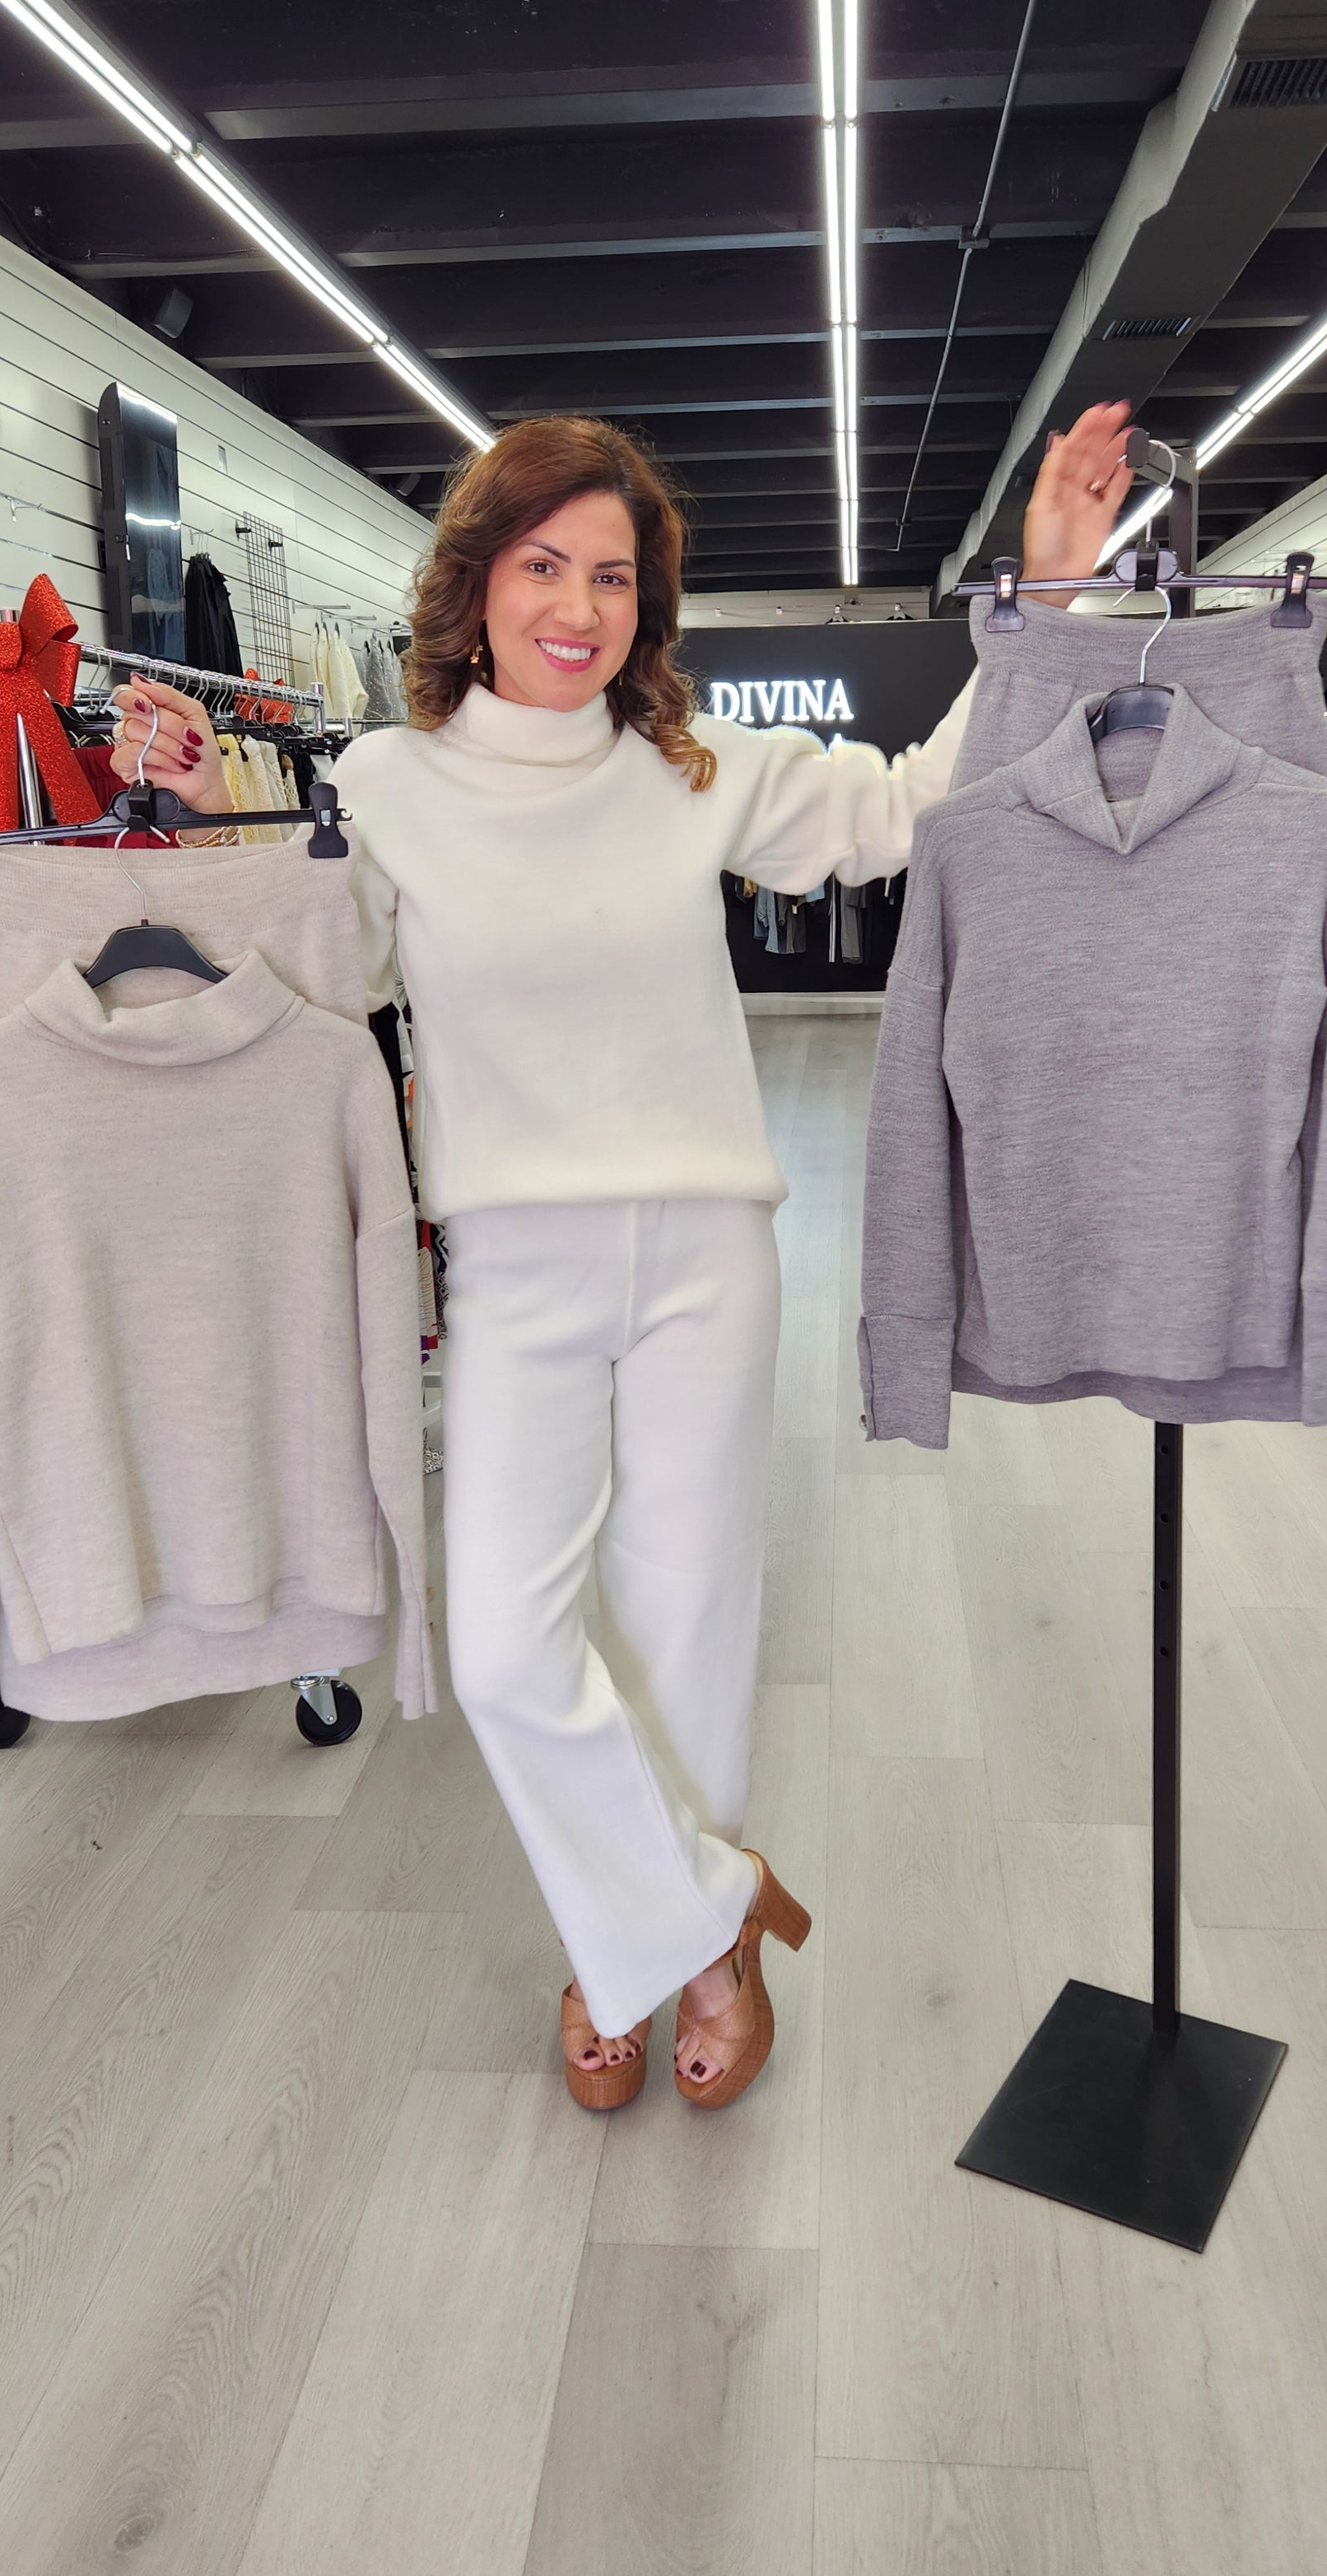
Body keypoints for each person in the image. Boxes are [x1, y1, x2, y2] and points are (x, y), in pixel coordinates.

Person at [115, 401, 1135, 2113]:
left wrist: (1043, 599)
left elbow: (911, 809)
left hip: (704, 1254)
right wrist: (211, 799)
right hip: (513, 1264)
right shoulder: (383, 785)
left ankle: (638, 1956)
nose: (578, 607)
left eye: (613, 575)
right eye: (544, 566)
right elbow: (318, 972)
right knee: (505, 1650)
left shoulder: (688, 767)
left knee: (686, 1623)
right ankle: (705, 1912)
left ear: (647, 604)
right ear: (475, 582)